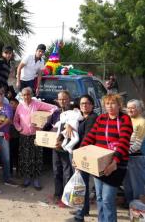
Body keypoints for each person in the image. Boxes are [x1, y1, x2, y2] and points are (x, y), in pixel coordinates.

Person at [80, 93, 133, 222]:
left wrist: (114, 162)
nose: (110, 106)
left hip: (116, 165)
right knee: (99, 198)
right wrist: (80, 153)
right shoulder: (101, 118)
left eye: (113, 103)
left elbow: (124, 142)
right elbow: (91, 137)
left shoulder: (124, 119)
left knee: (108, 199)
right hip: (99, 163)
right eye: (107, 104)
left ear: (119, 105)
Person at [13, 87, 57, 189]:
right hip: (24, 136)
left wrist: (46, 119)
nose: (26, 97)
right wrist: (19, 128)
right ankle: (27, 178)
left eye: (28, 94)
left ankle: (36, 179)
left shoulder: (37, 104)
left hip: (36, 135)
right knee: (25, 158)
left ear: (31, 95)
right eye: (24, 95)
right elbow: (15, 120)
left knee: (37, 157)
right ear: (22, 96)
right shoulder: (20, 106)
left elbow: (54, 108)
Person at [70, 94, 98, 222]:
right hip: (79, 152)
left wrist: (78, 155)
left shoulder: (92, 118)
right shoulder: (81, 117)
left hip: (84, 154)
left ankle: (80, 215)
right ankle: (84, 209)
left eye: (87, 103)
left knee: (81, 184)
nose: (84, 105)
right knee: (83, 182)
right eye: (82, 103)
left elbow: (87, 138)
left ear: (92, 105)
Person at [43, 90, 73, 207]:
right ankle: (57, 194)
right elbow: (48, 125)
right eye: (60, 99)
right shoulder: (56, 112)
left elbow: (75, 129)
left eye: (64, 99)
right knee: (56, 171)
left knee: (67, 172)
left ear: (69, 99)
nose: (62, 101)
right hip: (55, 146)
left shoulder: (74, 112)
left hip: (66, 147)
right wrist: (39, 135)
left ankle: (66, 197)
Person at [123, 99, 145, 206]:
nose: (130, 109)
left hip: (136, 157)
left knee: (137, 183)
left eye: (133, 107)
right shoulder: (127, 120)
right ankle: (129, 204)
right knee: (127, 182)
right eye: (128, 107)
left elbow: (137, 144)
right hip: (126, 155)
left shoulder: (142, 122)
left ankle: (138, 207)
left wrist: (124, 152)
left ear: (139, 109)